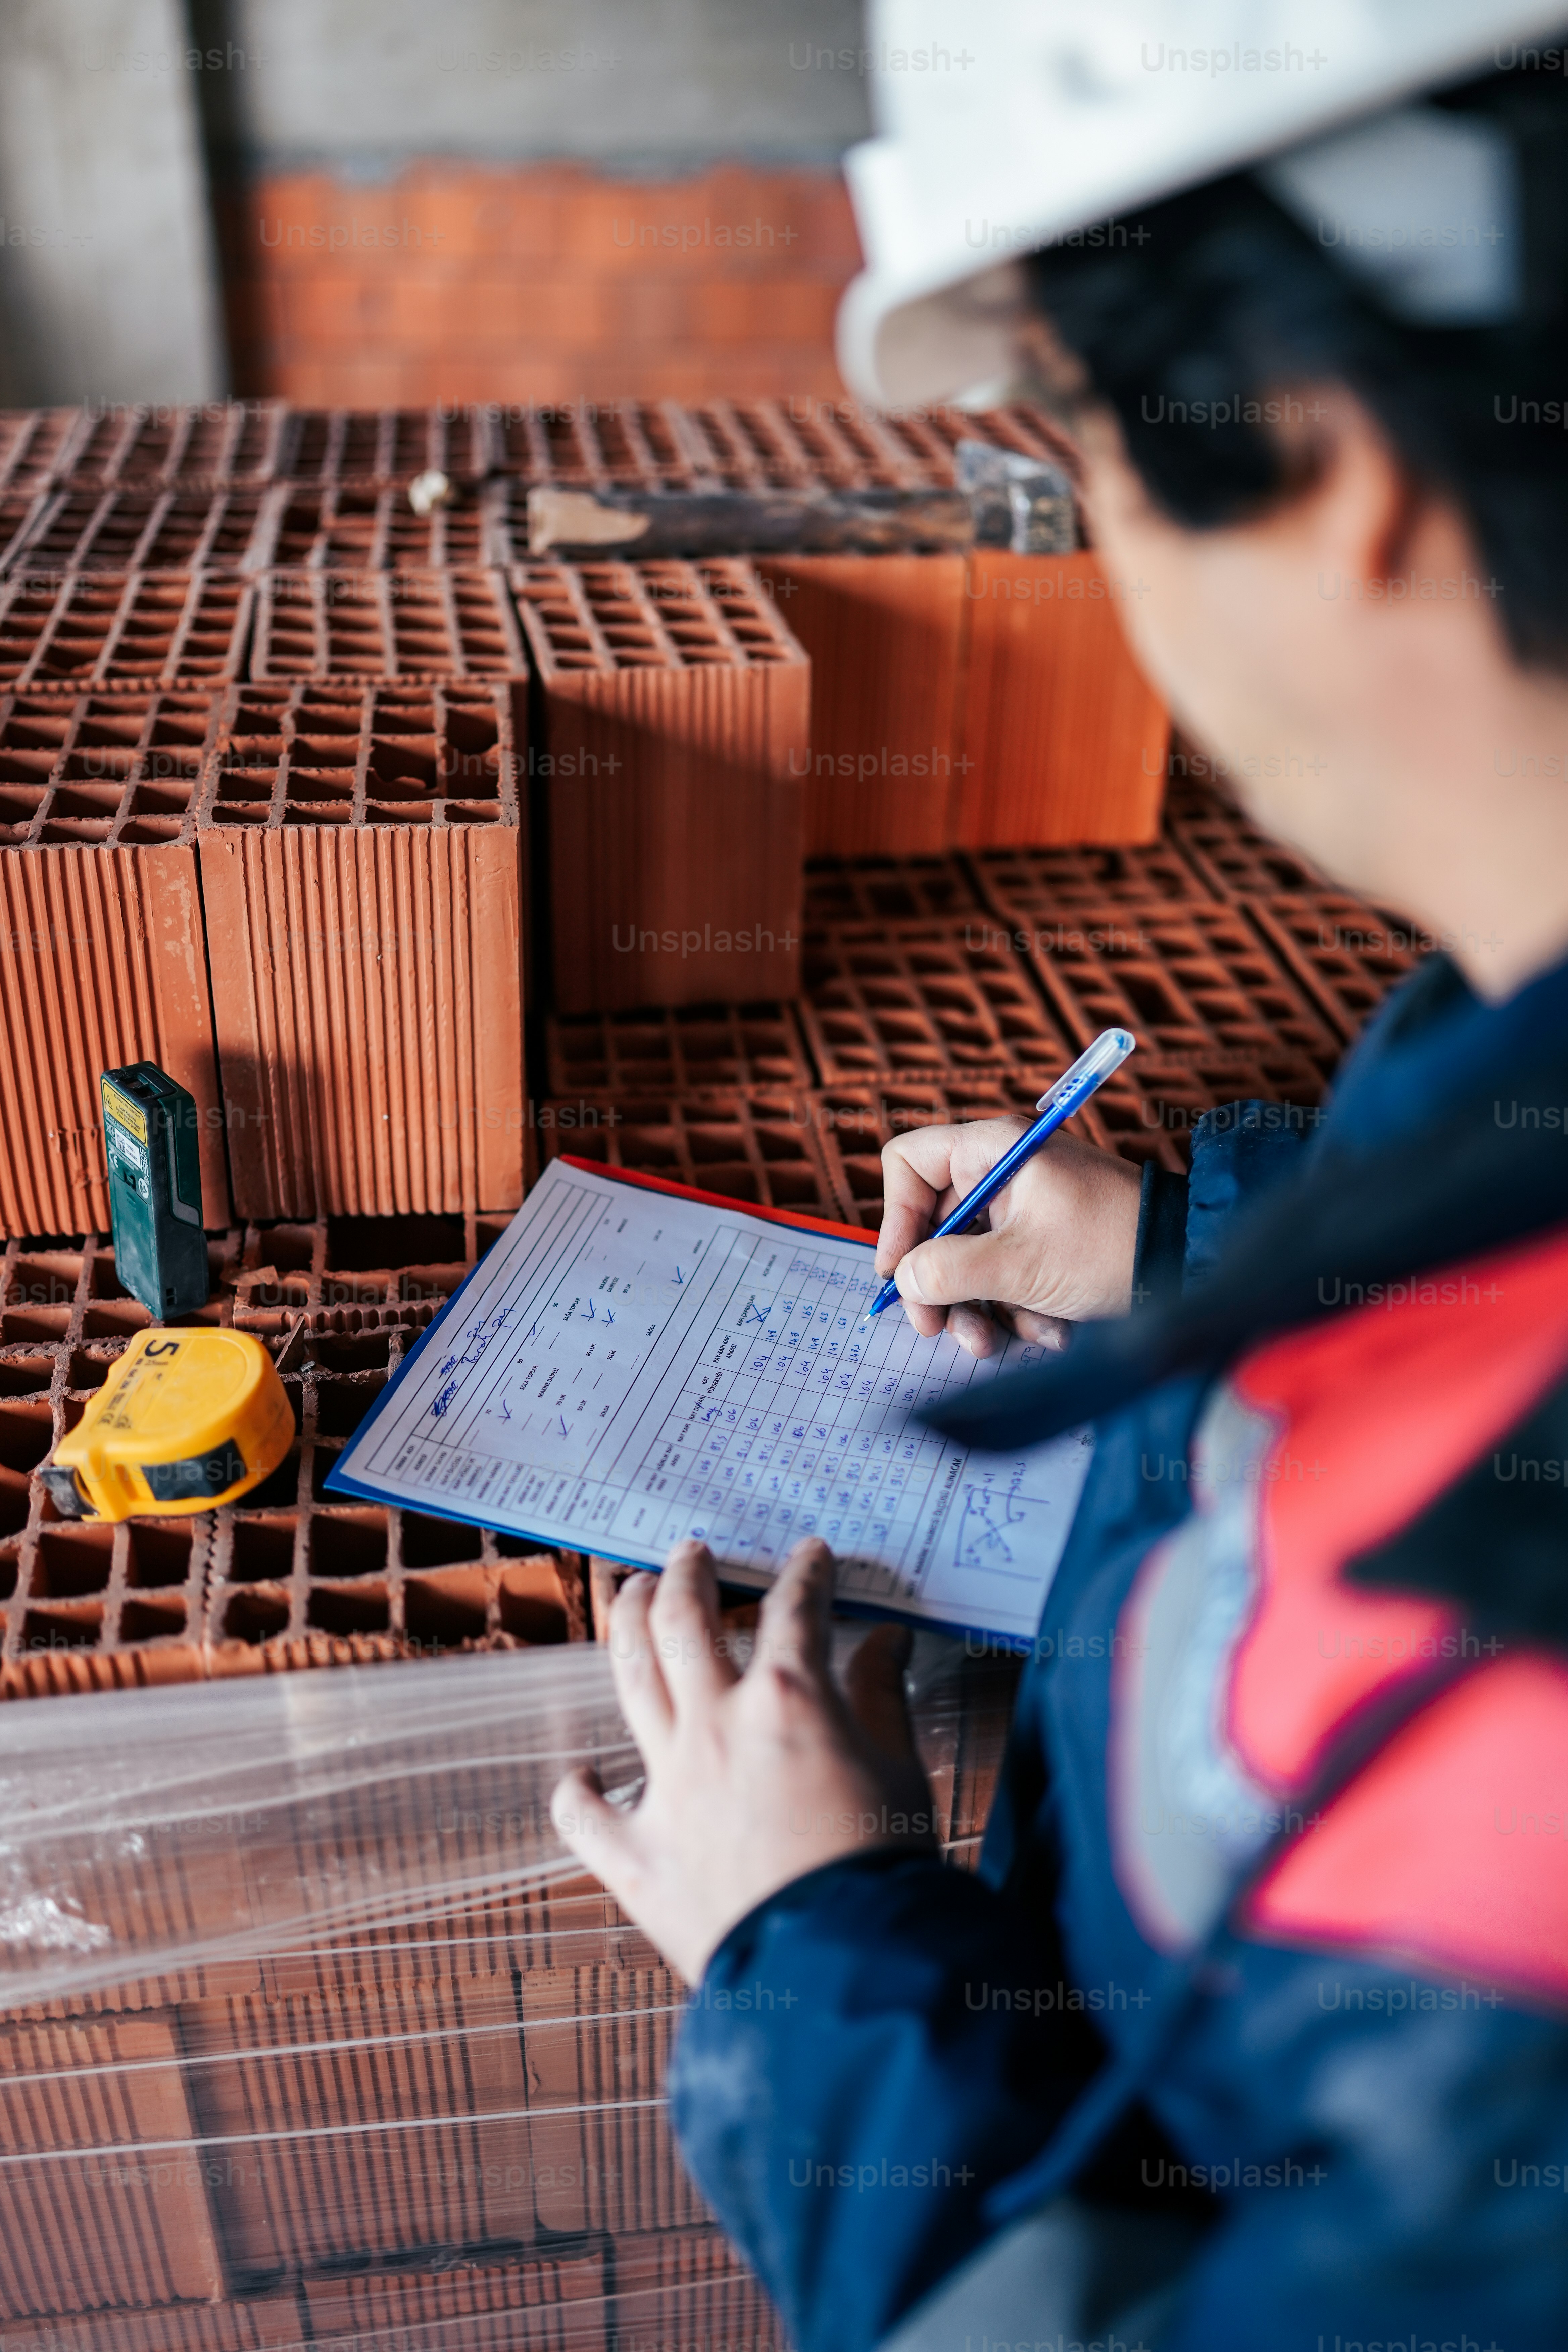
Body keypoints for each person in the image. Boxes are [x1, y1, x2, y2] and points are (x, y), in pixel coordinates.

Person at [553, 9, 1568, 2347]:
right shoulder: (1484, 1037)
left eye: (1089, 454)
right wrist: (1202, 1256)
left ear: (1331, 474)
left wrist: (820, 1949)